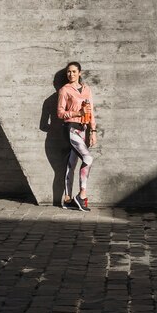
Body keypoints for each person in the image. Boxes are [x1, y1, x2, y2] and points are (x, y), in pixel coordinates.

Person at [57, 61, 97, 211]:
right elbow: (60, 113)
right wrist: (77, 113)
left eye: (74, 71)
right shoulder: (64, 90)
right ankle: (82, 196)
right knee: (88, 158)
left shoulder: (87, 89)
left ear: (79, 73)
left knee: (71, 163)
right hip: (70, 128)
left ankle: (67, 200)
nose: (71, 74)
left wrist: (93, 131)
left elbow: (91, 111)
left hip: (83, 129)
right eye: (68, 72)